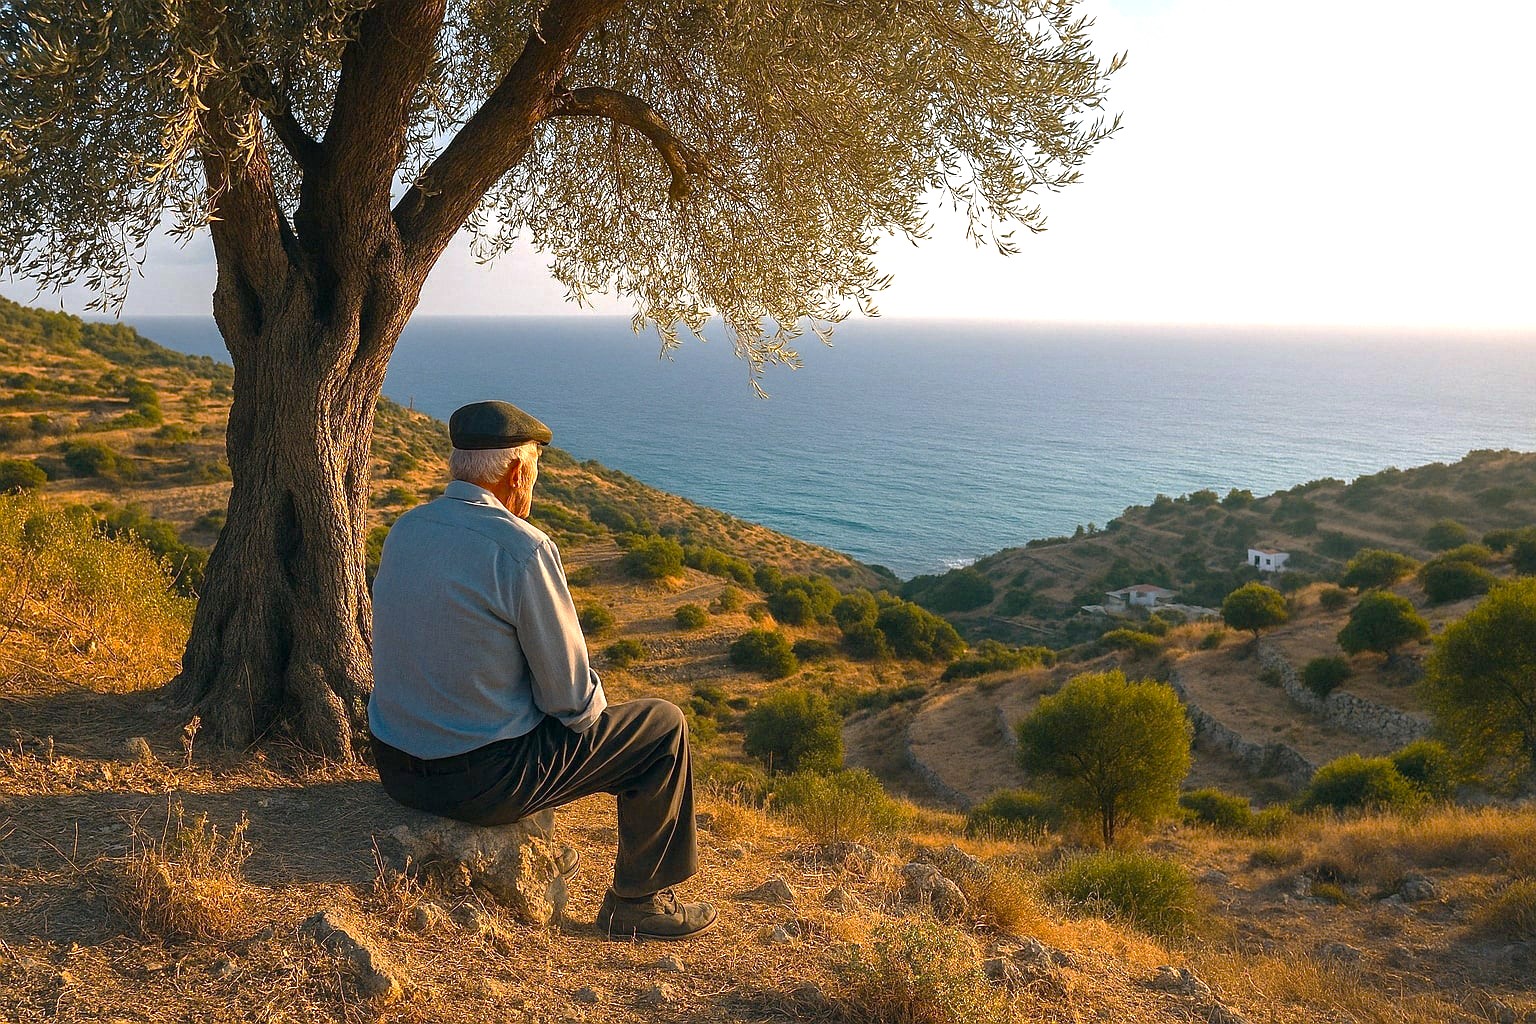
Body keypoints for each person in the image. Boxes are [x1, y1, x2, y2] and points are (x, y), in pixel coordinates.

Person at [368, 399, 716, 940]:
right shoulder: (523, 549)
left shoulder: (406, 531)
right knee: (662, 728)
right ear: (518, 472)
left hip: (395, 768)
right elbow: (572, 702)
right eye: (536, 470)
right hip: (484, 781)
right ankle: (636, 904)